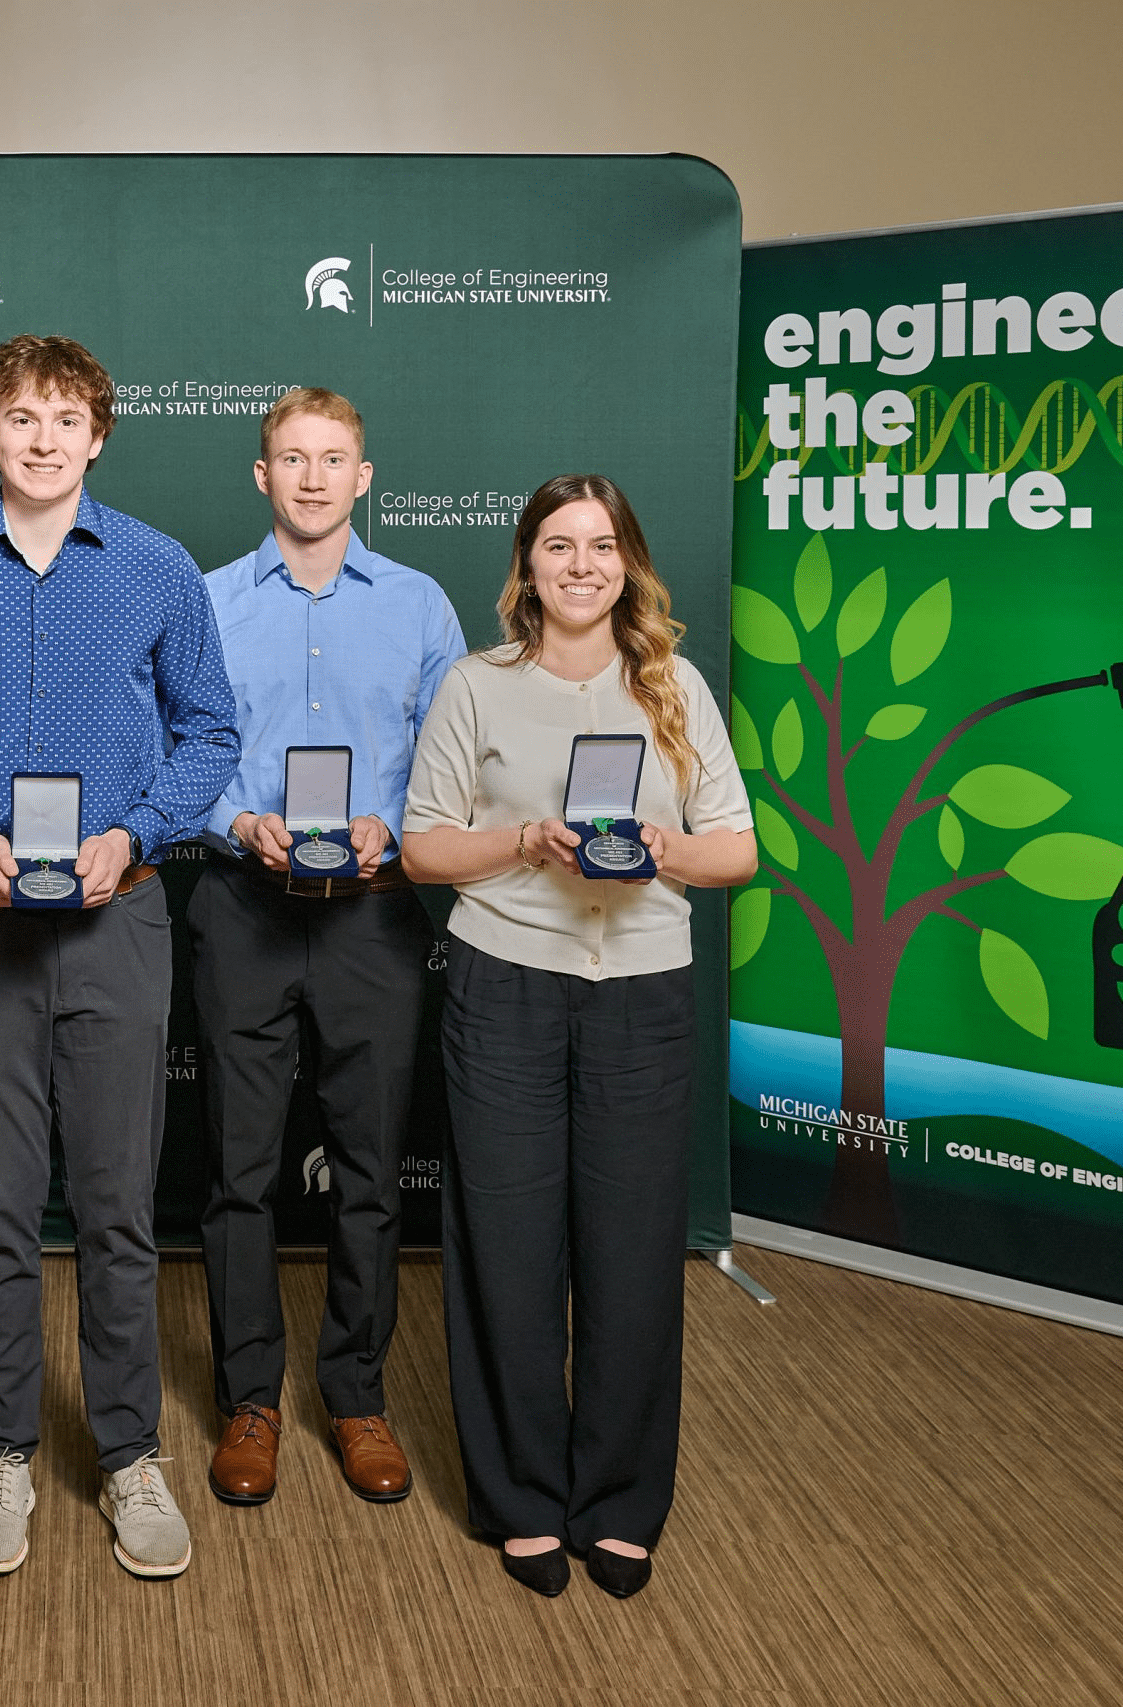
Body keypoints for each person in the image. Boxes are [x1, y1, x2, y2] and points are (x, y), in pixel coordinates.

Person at [0, 334, 239, 1579]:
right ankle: (3, 1453)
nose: (44, 438)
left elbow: (212, 731)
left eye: (67, 418)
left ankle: (129, 1458)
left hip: (117, 920)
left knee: (118, 1211)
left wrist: (138, 831)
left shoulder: (160, 569)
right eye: (21, 417)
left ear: (99, 436)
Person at [401, 473, 754, 1601]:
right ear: (527, 566)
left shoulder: (675, 689)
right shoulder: (476, 686)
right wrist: (523, 840)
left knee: (632, 1254)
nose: (581, 565)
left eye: (602, 546)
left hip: (641, 994)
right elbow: (421, 850)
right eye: (559, 545)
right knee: (504, 1252)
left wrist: (658, 846)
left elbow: (734, 851)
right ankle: (519, 1498)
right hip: (504, 986)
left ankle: (617, 1502)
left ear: (629, 564)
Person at [192, 388, 465, 1508]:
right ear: (262, 477)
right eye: (291, 459)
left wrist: (389, 829)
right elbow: (180, 747)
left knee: (369, 1172)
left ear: (364, 476)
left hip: (372, 916)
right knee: (237, 1173)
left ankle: (356, 1395)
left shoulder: (418, 605)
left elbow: (456, 759)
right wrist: (236, 819)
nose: (311, 477)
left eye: (333, 459)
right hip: (240, 910)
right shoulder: (204, 601)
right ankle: (247, 1399)